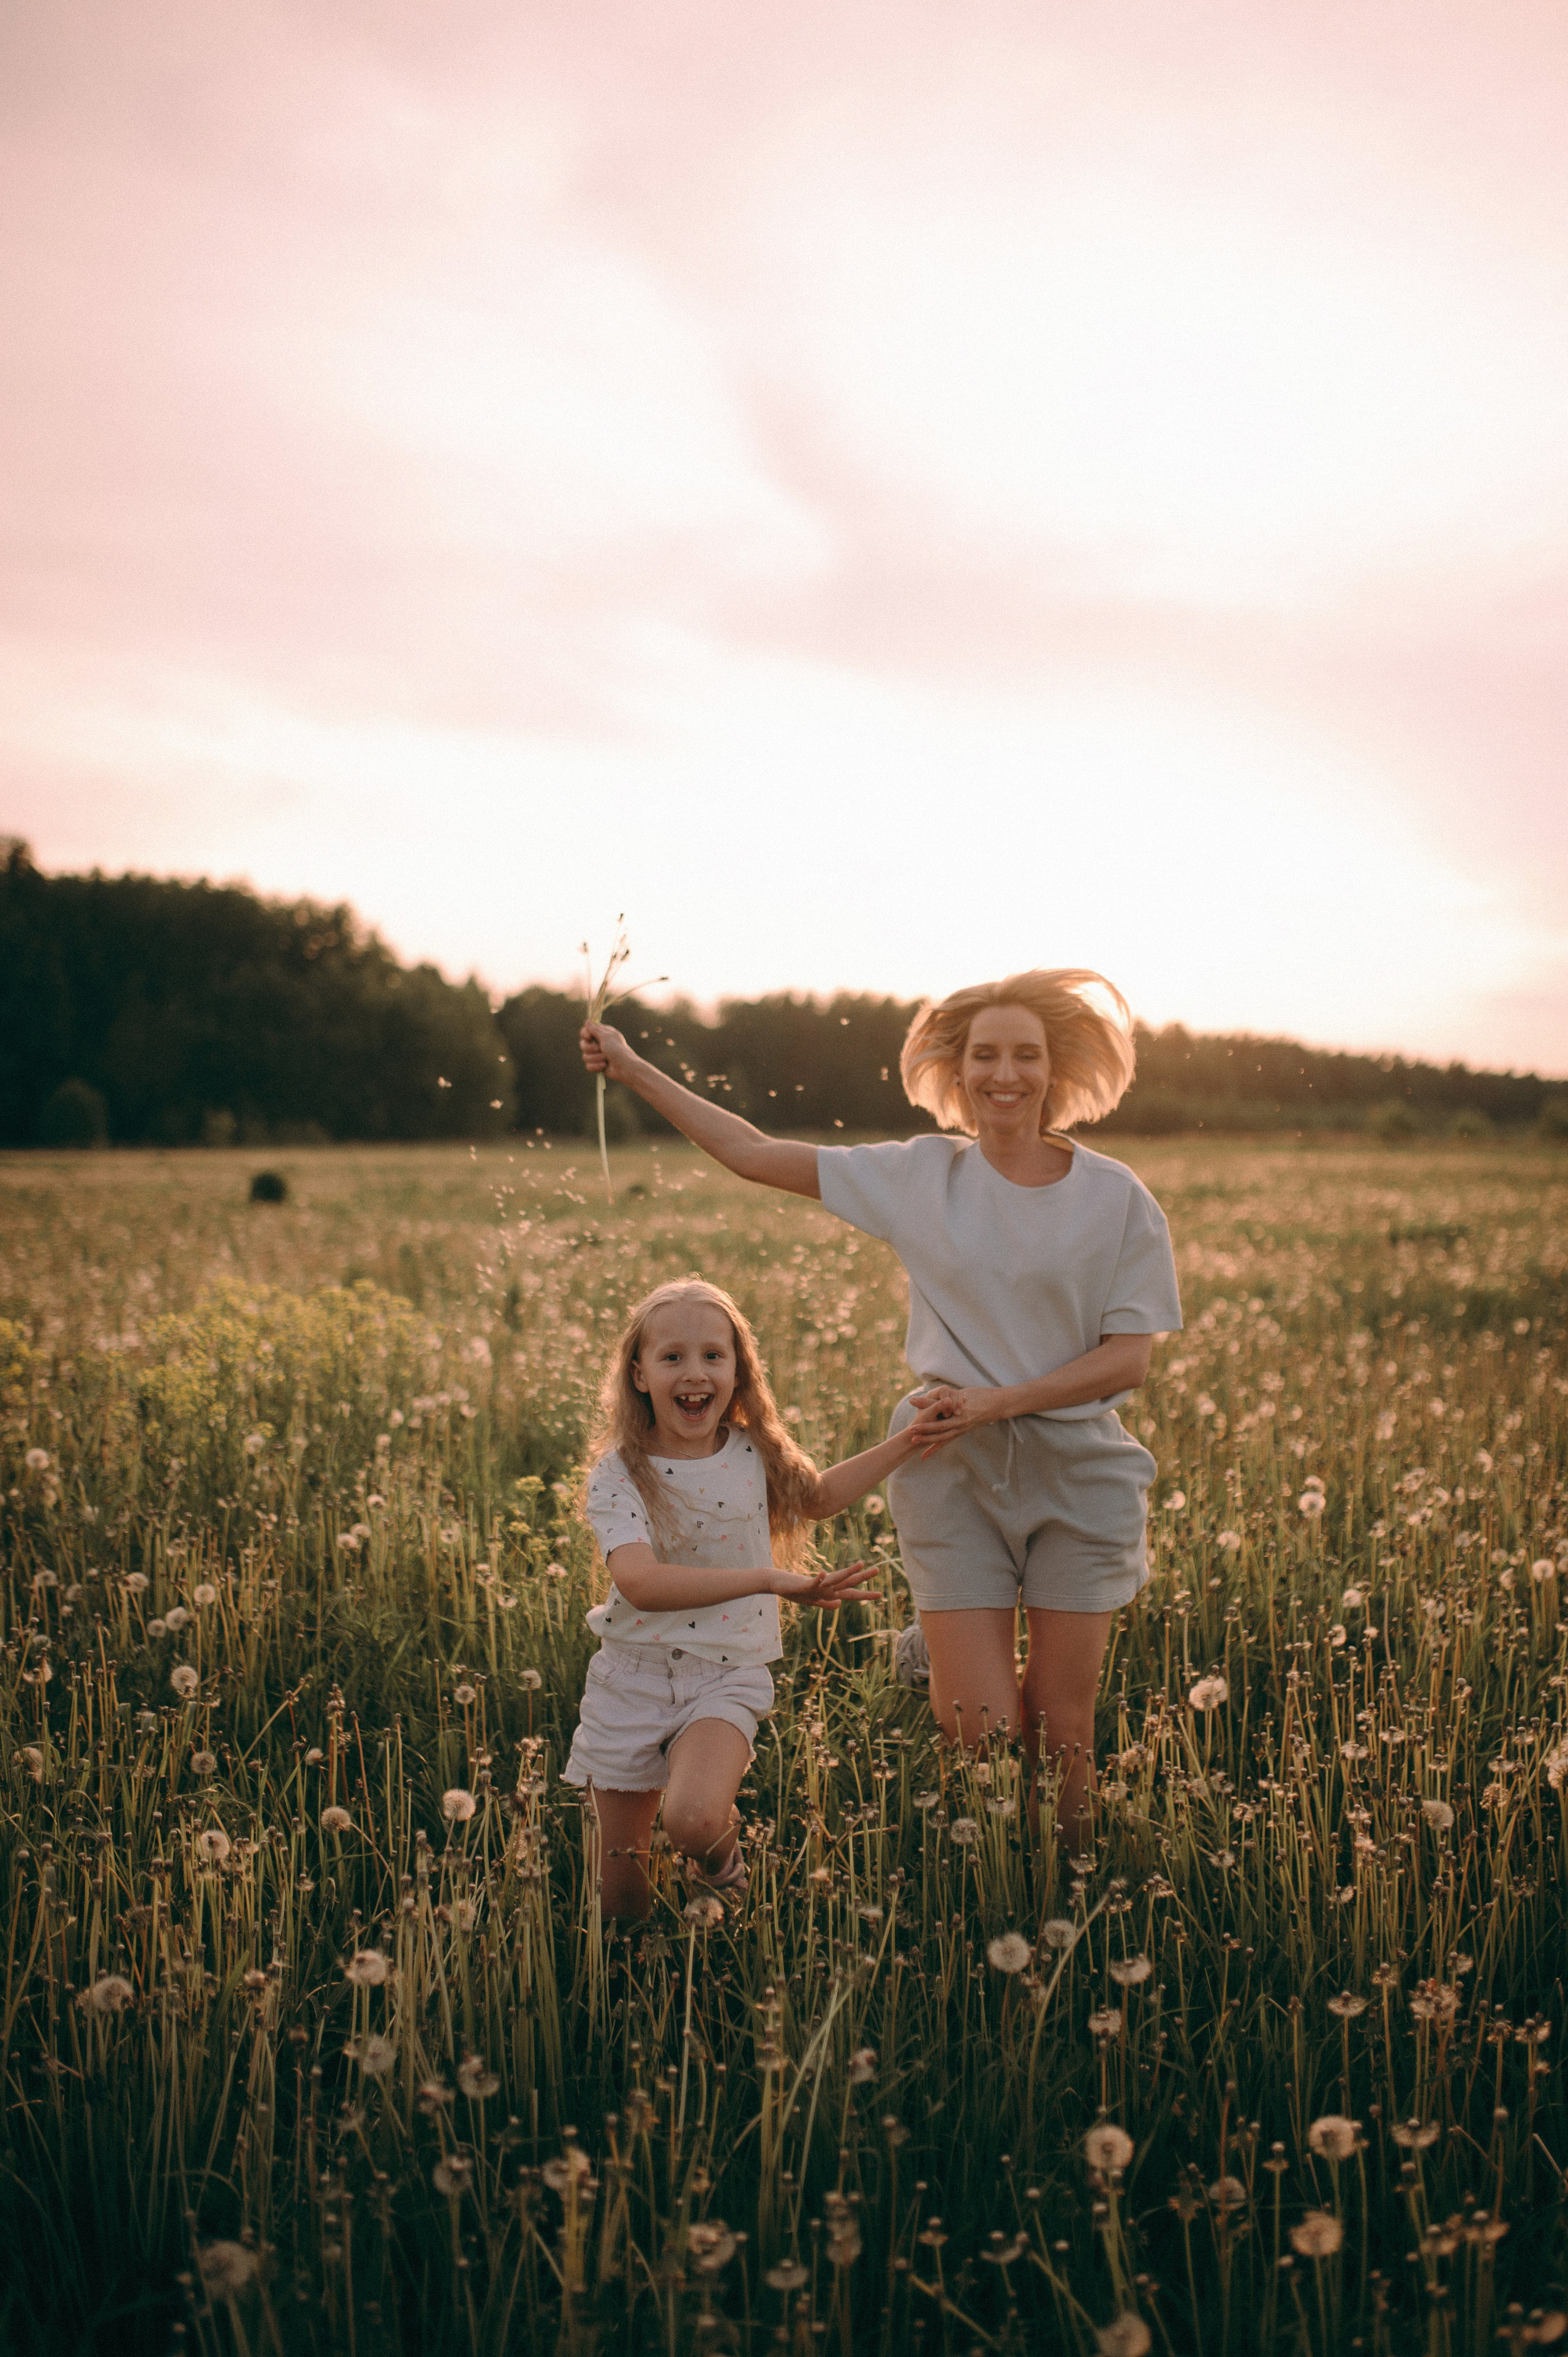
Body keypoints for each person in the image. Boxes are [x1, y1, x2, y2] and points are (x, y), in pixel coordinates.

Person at [580, 969, 1180, 1852]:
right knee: (981, 1731)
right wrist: (633, 1069)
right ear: (957, 1067)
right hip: (949, 1467)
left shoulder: (1117, 1197)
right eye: (985, 1055)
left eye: (1025, 1055)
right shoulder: (918, 1176)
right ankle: (948, 1674)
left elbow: (1128, 1358)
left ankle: (1070, 1885)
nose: (1003, 1074)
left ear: (1056, 1069)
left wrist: (1000, 1401)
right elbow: (752, 1152)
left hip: (1080, 1471)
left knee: (1063, 1730)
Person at [566, 1276, 919, 1918]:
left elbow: (815, 1498)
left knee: (695, 1820)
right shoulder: (619, 1472)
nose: (693, 1372)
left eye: (712, 1355)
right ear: (639, 1374)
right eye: (671, 1356)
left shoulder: (753, 1451)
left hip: (725, 1673)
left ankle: (722, 1863)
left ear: (737, 1371)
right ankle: (637, 1994)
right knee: (617, 1903)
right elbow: (639, 1582)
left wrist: (910, 1440)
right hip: (630, 1678)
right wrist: (769, 1579)